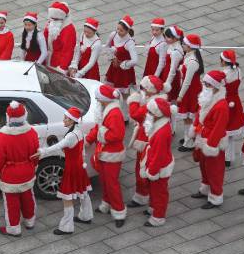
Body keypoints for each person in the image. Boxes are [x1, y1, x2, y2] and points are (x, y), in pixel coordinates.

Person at [32, 107, 93, 235]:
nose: (63, 120)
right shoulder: (79, 131)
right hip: (79, 166)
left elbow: (58, 146)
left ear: (72, 121)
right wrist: (83, 162)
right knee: (83, 192)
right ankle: (86, 216)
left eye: (66, 118)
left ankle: (67, 227)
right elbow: (80, 150)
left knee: (67, 198)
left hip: (71, 168)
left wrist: (42, 151)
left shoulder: (71, 136)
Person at [0, 101, 39, 237]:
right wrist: (34, 166)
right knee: (28, 197)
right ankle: (30, 221)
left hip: (9, 175)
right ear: (24, 116)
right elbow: (36, 153)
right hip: (27, 170)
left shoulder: (2, 136)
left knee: (11, 202)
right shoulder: (31, 132)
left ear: (8, 117)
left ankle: (13, 228)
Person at [86, 84, 127, 228]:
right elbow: (98, 127)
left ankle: (119, 211)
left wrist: (101, 133)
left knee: (112, 184)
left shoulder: (114, 113)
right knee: (105, 181)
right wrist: (89, 139)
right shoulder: (106, 109)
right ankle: (107, 203)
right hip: (105, 152)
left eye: (99, 99)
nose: (97, 101)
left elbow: (117, 135)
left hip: (112, 154)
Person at [190, 70, 229, 209]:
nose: (204, 85)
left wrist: (210, 146)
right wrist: (195, 128)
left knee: (215, 170)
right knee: (203, 165)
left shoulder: (221, 105)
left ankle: (215, 197)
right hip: (203, 136)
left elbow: (218, 128)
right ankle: (205, 188)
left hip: (212, 142)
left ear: (215, 86)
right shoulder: (206, 97)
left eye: (207, 84)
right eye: (204, 83)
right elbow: (199, 113)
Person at [126, 75, 167, 208]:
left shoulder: (151, 104)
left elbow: (135, 114)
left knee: (141, 169)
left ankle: (142, 195)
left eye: (143, 88)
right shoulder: (156, 101)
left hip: (146, 141)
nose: (140, 90)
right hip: (148, 139)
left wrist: (134, 100)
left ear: (150, 90)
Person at [140, 97, 175, 227]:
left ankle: (158, 216)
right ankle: (153, 208)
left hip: (158, 168)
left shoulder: (161, 132)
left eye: (150, 112)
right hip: (154, 164)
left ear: (156, 114)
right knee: (153, 190)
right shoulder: (160, 124)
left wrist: (152, 171)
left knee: (159, 192)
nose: (147, 114)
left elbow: (158, 155)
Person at [105, 15, 138, 121]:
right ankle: (113, 111)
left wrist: (124, 64)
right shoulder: (113, 35)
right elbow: (107, 47)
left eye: (122, 30)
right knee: (112, 90)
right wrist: (112, 57)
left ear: (128, 30)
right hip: (114, 68)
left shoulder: (130, 43)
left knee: (125, 93)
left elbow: (135, 60)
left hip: (124, 72)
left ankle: (125, 116)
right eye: (118, 28)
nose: (119, 31)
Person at [177, 34, 204, 152]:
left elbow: (187, 82)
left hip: (190, 92)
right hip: (190, 90)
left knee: (188, 117)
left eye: (184, 44)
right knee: (187, 117)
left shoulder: (192, 61)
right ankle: (187, 137)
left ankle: (189, 142)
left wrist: (180, 96)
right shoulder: (189, 56)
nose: (182, 45)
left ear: (190, 46)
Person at [221, 50, 244, 167]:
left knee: (225, 130)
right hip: (235, 101)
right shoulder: (237, 70)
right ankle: (229, 156)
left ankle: (226, 156)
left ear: (224, 61)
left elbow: (220, 89)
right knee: (230, 132)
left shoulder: (224, 74)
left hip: (226, 101)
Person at [44, 1, 77, 74]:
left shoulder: (68, 29)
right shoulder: (52, 21)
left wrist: (62, 68)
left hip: (58, 64)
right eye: (52, 18)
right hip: (48, 59)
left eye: (55, 19)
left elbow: (68, 51)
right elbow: (45, 38)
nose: (52, 20)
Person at [161, 25, 184, 102]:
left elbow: (173, 70)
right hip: (167, 73)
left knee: (170, 98)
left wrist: (168, 83)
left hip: (171, 78)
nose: (166, 39)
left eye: (168, 37)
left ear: (175, 38)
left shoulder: (175, 52)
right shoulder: (172, 45)